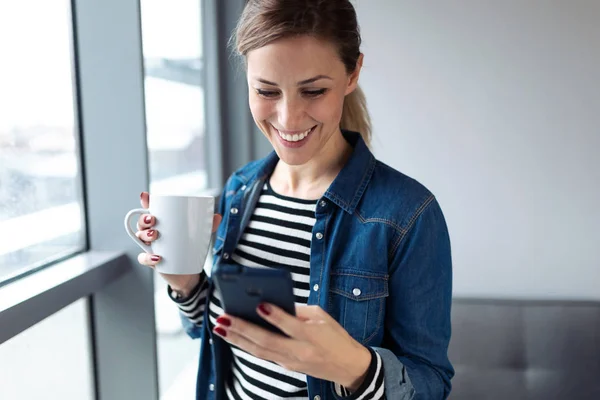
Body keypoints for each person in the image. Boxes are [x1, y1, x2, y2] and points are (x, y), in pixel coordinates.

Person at [136, 0, 454, 399]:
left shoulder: (407, 215)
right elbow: (220, 333)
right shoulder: (239, 189)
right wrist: (185, 286)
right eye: (266, 90)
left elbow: (431, 385)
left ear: (353, 71)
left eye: (314, 90)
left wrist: (354, 365)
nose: (288, 119)